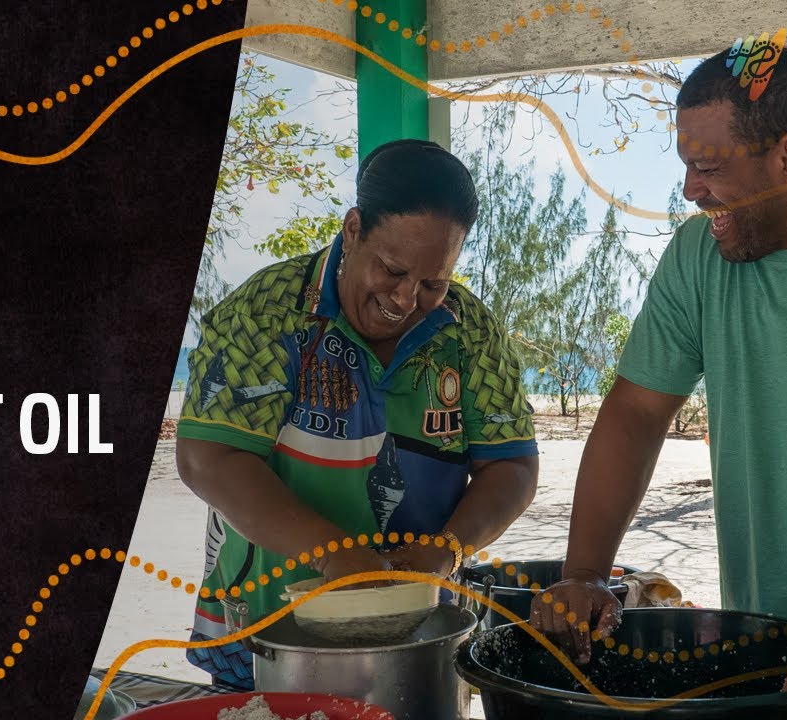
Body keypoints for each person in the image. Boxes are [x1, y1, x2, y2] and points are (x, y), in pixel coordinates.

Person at [530, 45, 787, 690]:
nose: (689, 190)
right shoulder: (697, 255)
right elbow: (637, 413)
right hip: (766, 639)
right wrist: (586, 573)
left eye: (706, 167)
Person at [176, 139, 540, 689]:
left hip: (415, 636)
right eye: (391, 270)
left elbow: (511, 467)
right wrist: (331, 555)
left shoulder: (470, 334)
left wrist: (447, 549)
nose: (405, 299)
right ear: (352, 230)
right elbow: (209, 456)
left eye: (433, 284)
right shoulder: (267, 311)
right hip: (266, 632)